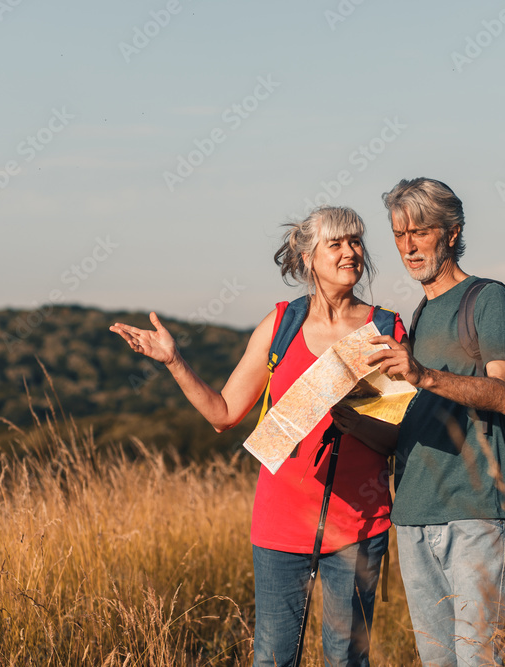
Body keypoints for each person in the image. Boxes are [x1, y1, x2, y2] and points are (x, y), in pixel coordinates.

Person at [109, 206, 406, 667]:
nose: (351, 252)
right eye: (337, 243)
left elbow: (400, 427)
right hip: (281, 523)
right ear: (309, 258)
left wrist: (349, 415)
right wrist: (173, 360)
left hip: (358, 524)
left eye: (356, 241)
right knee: (272, 658)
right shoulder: (281, 324)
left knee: (346, 659)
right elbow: (223, 413)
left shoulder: (385, 329)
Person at [365, 178, 505, 666]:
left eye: (420, 232)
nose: (408, 247)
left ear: (451, 233)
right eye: (398, 235)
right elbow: (415, 424)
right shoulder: (420, 314)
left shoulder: (487, 298)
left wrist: (423, 374)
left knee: (478, 659)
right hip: (412, 513)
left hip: (475, 512)